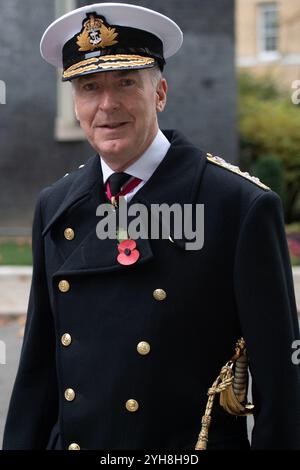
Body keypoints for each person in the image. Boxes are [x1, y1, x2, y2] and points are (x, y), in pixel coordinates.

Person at [3, 2, 300, 451]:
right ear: (75, 103)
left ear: (160, 92)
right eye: (88, 87)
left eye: (126, 83)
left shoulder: (239, 206)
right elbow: (37, 373)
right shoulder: (56, 205)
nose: (107, 105)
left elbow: (282, 381)